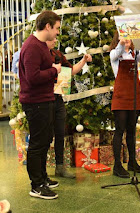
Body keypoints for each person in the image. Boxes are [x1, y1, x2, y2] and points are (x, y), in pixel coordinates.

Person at [19, 10, 61, 200]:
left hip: (45, 100)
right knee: (37, 144)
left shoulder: (41, 45)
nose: (58, 33)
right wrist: (53, 70)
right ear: (47, 26)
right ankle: (36, 185)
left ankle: (43, 178)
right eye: (57, 28)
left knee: (44, 141)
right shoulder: (32, 47)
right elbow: (32, 77)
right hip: (35, 103)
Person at [110, 31, 140, 178]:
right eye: (123, 37)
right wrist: (121, 43)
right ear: (118, 39)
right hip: (121, 96)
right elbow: (115, 53)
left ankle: (132, 161)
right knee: (120, 130)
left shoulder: (134, 54)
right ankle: (117, 165)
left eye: (128, 37)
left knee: (131, 130)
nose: (127, 39)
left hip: (134, 95)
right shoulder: (115, 54)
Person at [46, 38, 92, 178]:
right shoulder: (39, 55)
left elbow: (71, 71)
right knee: (45, 136)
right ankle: (41, 170)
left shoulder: (58, 54)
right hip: (43, 100)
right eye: (52, 38)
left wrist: (83, 61)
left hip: (58, 99)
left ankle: (60, 167)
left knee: (60, 133)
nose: (55, 40)